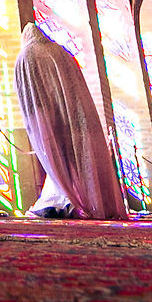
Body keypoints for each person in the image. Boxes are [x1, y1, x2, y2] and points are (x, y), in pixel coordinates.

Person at [11, 24, 126, 218]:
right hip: (76, 117)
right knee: (76, 159)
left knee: (59, 161)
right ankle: (82, 200)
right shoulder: (61, 53)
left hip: (48, 118)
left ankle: (67, 199)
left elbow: (28, 95)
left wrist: (36, 119)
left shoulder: (26, 56)